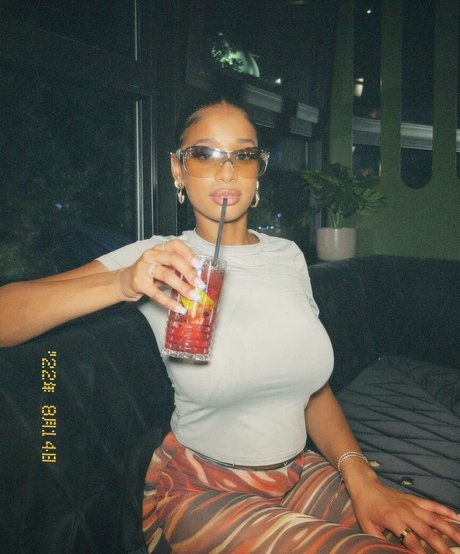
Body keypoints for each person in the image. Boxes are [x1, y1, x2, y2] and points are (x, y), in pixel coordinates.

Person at [0, 99, 459, 554]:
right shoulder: (161, 257)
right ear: (178, 169)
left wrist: (361, 477)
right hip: (206, 488)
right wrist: (122, 282)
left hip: (300, 471)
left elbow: (311, 391)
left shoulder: (288, 257)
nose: (226, 171)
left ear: (258, 169)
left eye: (243, 154)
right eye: (205, 154)